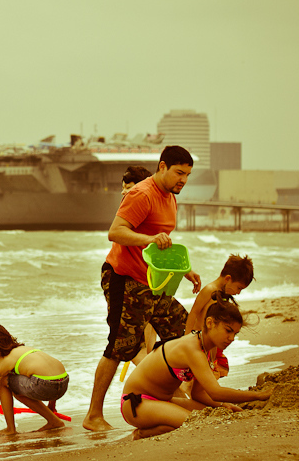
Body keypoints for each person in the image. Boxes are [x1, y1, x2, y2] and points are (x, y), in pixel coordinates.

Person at [83, 145, 202, 432]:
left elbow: (161, 243)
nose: (183, 180)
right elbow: (116, 231)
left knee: (181, 331)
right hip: (124, 278)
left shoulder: (170, 198)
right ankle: (93, 416)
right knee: (120, 345)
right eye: (178, 173)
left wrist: (184, 269)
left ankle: (164, 395)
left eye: (187, 174)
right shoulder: (142, 193)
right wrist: (149, 239)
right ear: (162, 167)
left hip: (153, 280)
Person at [120, 297, 272, 439]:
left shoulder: (205, 349)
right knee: (196, 423)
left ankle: (161, 424)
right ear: (210, 323)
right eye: (228, 330)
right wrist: (259, 395)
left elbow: (198, 393)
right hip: (137, 403)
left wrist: (223, 405)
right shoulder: (192, 349)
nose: (231, 338)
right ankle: (141, 434)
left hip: (162, 401)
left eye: (235, 333)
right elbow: (216, 392)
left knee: (213, 414)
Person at [182, 254, 255, 383]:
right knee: (194, 377)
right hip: (198, 341)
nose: (238, 292)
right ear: (228, 278)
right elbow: (193, 313)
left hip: (211, 343)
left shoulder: (223, 294)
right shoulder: (210, 290)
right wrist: (185, 339)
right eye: (239, 288)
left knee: (209, 374)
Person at [121, 165, 157, 366]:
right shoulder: (142, 209)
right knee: (142, 346)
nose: (124, 192)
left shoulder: (140, 210)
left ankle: (158, 381)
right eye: (123, 188)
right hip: (147, 281)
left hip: (139, 282)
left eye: (129, 188)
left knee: (129, 347)